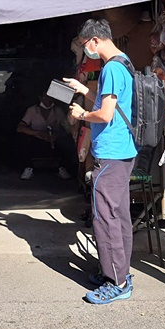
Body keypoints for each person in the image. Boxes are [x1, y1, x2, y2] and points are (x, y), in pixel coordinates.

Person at [62, 18, 137, 305]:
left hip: (111, 152)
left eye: (85, 45)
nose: (86, 52)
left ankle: (116, 281)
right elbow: (111, 105)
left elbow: (104, 115)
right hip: (123, 151)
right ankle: (120, 272)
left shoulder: (111, 68)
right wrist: (84, 91)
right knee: (119, 216)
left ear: (95, 40)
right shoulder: (124, 62)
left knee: (105, 218)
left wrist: (81, 115)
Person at [16, 93, 76, 181]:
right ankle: (28, 168)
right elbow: (20, 127)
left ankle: (62, 168)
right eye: (45, 97)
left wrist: (57, 135)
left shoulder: (58, 111)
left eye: (50, 97)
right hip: (36, 139)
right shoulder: (32, 110)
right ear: (40, 98)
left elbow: (68, 129)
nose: (48, 99)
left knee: (68, 141)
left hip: (54, 140)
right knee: (23, 140)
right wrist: (36, 133)